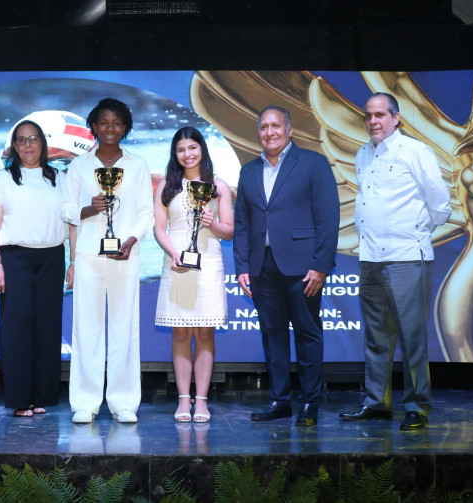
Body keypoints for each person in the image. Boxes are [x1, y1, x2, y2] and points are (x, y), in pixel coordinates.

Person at [339, 92, 451, 430]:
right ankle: (377, 402)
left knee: (411, 336)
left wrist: (414, 232)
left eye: (380, 115)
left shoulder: (415, 151)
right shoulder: (363, 154)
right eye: (369, 115)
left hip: (406, 257)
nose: (373, 121)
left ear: (396, 118)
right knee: (376, 335)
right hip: (370, 257)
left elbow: (440, 204)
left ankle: (417, 406)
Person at [234, 105, 339, 427]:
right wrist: (242, 266)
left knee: (307, 334)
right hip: (261, 267)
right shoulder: (249, 171)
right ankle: (279, 401)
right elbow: (242, 223)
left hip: (303, 268)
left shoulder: (313, 163)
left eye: (276, 125)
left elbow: (328, 217)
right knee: (272, 335)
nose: (270, 132)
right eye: (264, 127)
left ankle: (309, 402)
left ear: (289, 130)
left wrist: (321, 265)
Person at [60, 98, 155, 424]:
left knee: (124, 328)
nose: (110, 128)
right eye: (104, 123)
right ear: (94, 127)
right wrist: (89, 209)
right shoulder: (79, 166)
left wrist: (131, 240)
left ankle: (123, 402)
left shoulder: (137, 165)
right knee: (86, 329)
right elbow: (65, 210)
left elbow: (146, 213)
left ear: (125, 127)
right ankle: (84, 403)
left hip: (125, 256)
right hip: (88, 255)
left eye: (116, 123)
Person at [0, 119, 74, 417]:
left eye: (33, 138)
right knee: (16, 328)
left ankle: (43, 394)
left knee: (48, 327)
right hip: (14, 259)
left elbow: (72, 222)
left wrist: (74, 261)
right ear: (14, 146)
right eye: (21, 140)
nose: (28, 145)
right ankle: (21, 399)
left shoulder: (60, 178)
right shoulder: (3, 179)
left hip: (52, 258)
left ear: (42, 143)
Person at [153, 127, 234, 423]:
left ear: (202, 148)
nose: (187, 154)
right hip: (176, 263)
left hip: (208, 262)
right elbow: (159, 228)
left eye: (192, 147)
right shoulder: (167, 185)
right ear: (174, 154)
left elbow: (229, 231)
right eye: (181, 149)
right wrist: (173, 253)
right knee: (180, 333)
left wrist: (212, 223)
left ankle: (201, 401)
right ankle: (183, 400)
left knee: (204, 333)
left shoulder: (218, 186)